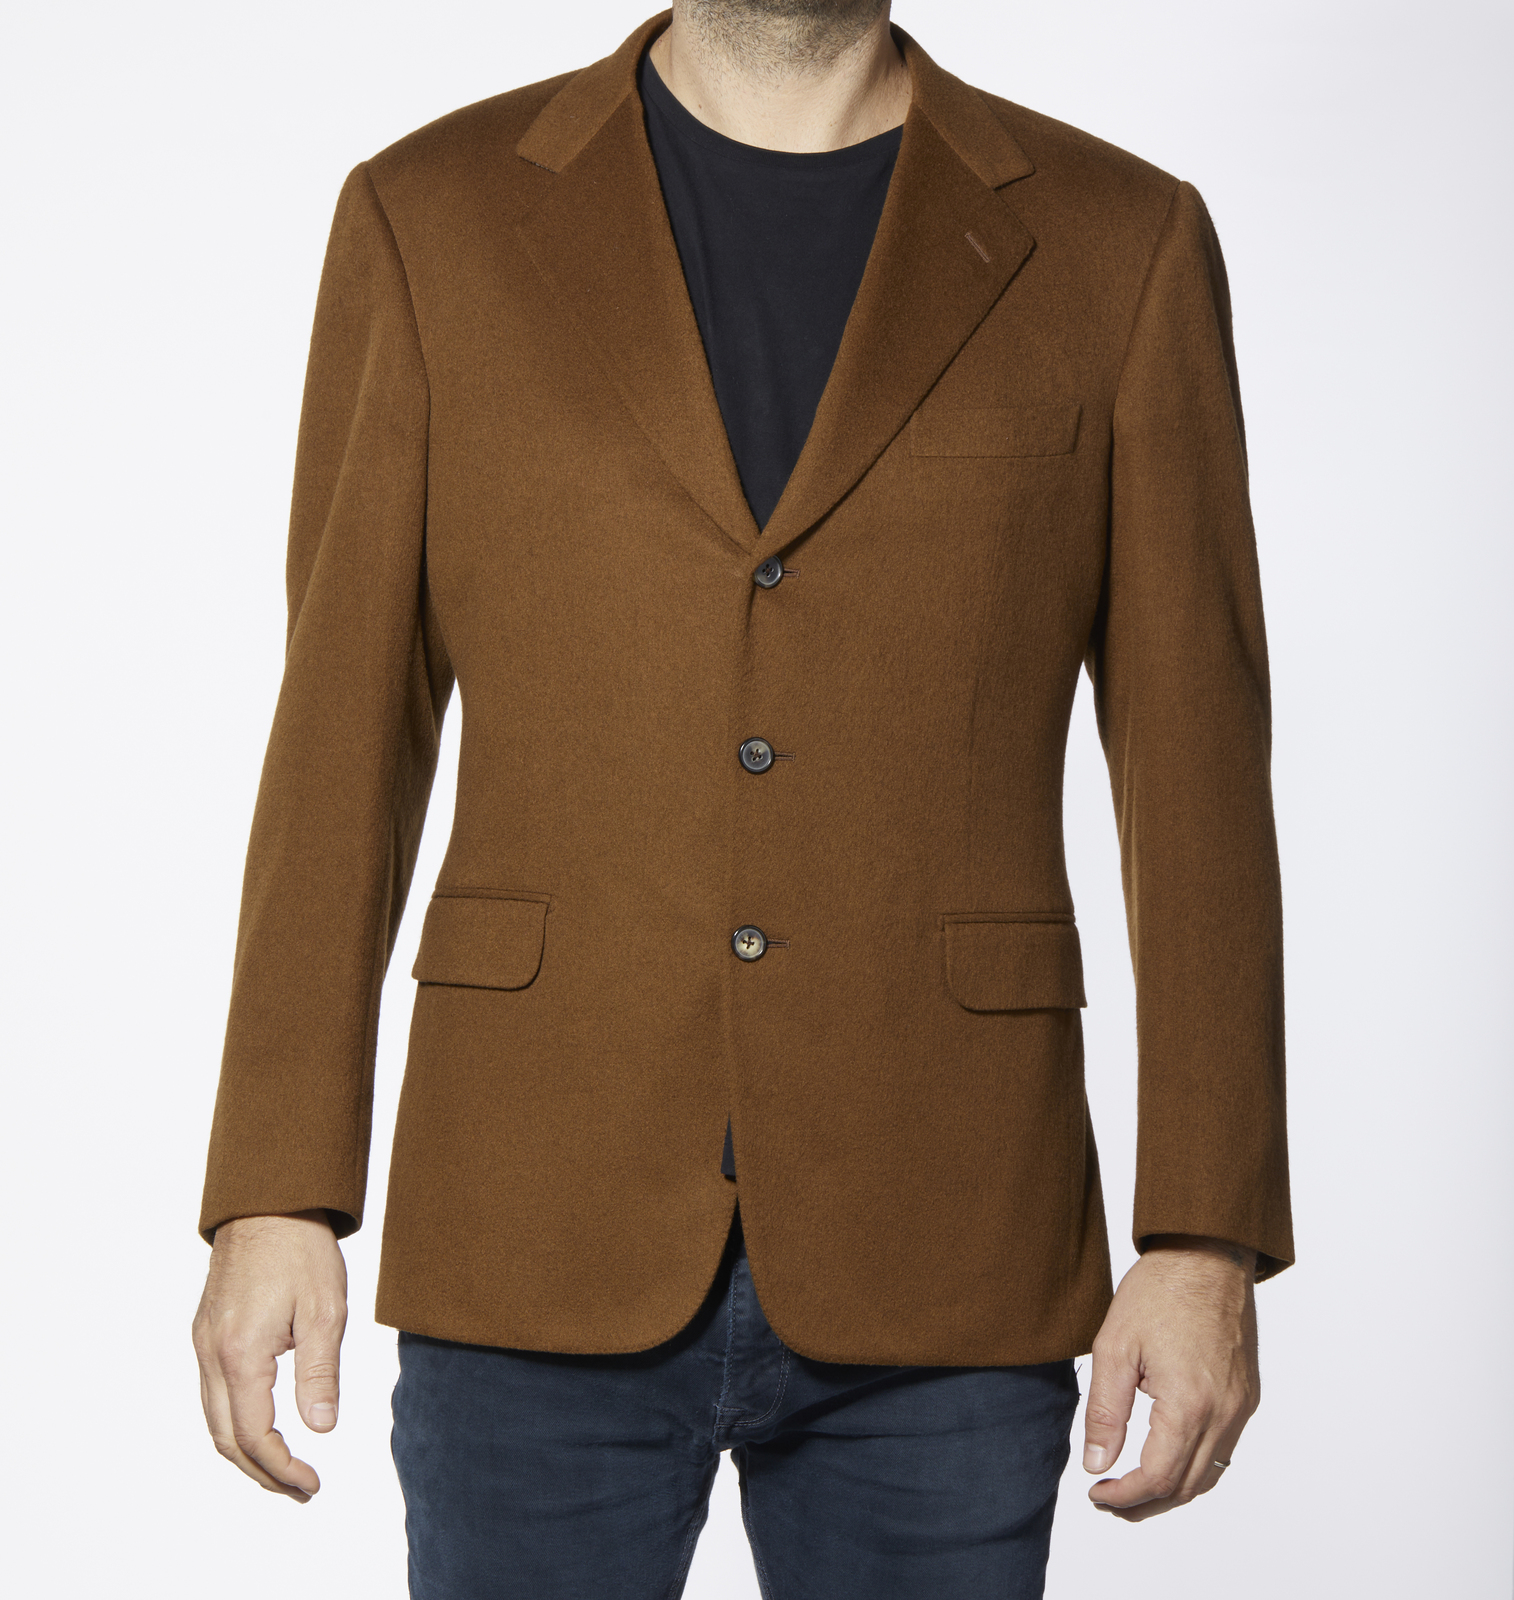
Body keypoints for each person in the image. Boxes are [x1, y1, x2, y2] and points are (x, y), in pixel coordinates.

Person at [192, 3, 1292, 1594]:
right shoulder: (429, 215)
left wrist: (1204, 1236)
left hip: (948, 1223)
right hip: (533, 1202)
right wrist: (275, 1187)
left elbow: (1198, 776)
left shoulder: (1122, 241)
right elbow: (339, 735)